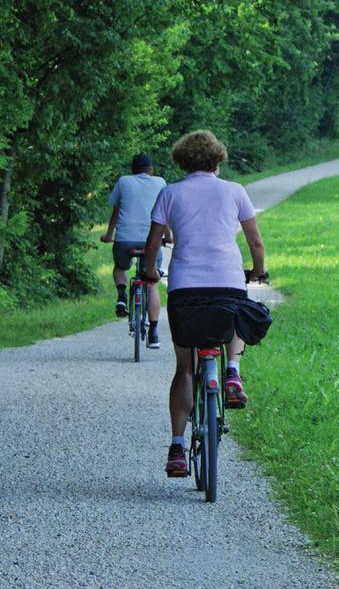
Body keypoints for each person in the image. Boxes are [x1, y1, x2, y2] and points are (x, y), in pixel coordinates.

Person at [140, 130, 267, 477]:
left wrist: (151, 272)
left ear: (182, 161)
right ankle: (232, 374)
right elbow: (255, 242)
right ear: (218, 159)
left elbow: (153, 245)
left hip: (185, 289)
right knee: (236, 315)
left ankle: (178, 447)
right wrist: (259, 271)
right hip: (227, 281)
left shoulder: (170, 193)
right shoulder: (235, 191)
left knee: (184, 368)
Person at [100, 153, 167, 349]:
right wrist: (169, 236)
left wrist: (108, 234)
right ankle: (154, 333)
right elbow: (164, 214)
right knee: (152, 282)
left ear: (133, 169)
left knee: (120, 267)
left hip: (125, 240)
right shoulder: (160, 182)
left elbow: (116, 210)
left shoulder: (123, 181)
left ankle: (122, 296)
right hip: (151, 240)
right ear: (151, 169)